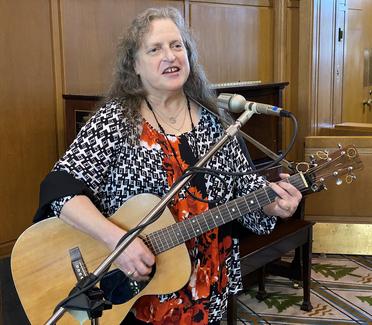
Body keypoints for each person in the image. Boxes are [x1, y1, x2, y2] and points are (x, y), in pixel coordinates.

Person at [34, 7, 302, 325]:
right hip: (133, 291)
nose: (170, 56)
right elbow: (60, 191)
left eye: (177, 46)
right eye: (155, 49)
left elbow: (245, 191)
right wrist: (117, 241)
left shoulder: (218, 122)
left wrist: (273, 205)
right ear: (133, 64)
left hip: (206, 289)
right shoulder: (116, 120)